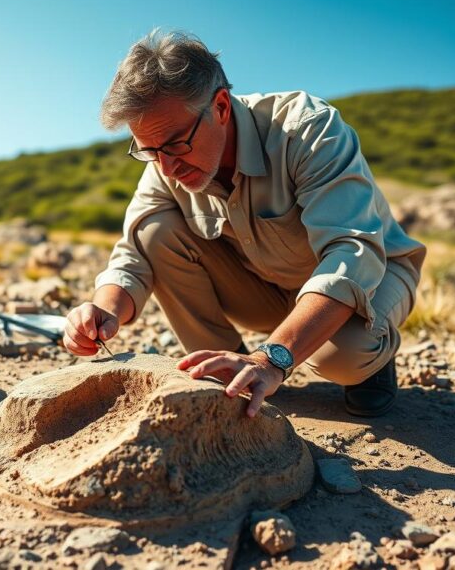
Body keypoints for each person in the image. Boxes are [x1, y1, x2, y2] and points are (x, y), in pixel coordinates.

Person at [63, 30, 426, 418]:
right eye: (149, 151)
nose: (166, 166)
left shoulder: (307, 129)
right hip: (266, 288)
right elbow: (134, 253)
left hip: (373, 278)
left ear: (220, 106)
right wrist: (105, 311)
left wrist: (271, 360)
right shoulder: (165, 161)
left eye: (174, 145)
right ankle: (228, 369)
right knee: (156, 230)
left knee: (345, 359)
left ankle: (368, 356)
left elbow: (351, 254)